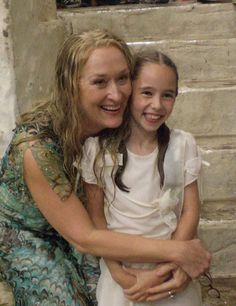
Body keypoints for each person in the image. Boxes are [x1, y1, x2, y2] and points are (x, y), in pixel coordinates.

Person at [0, 30, 210, 306]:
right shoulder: (35, 148)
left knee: (110, 291)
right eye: (100, 82)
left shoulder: (121, 121)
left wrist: (170, 265)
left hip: (94, 226)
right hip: (33, 233)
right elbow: (85, 238)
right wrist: (180, 252)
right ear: (71, 86)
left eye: (123, 78)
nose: (117, 93)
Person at [81, 49, 204, 305]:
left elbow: (190, 211)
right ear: (129, 93)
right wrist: (118, 273)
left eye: (167, 95)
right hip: (123, 276)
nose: (156, 105)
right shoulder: (97, 150)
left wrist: (166, 270)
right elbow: (97, 219)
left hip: (171, 272)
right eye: (147, 92)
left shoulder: (182, 145)